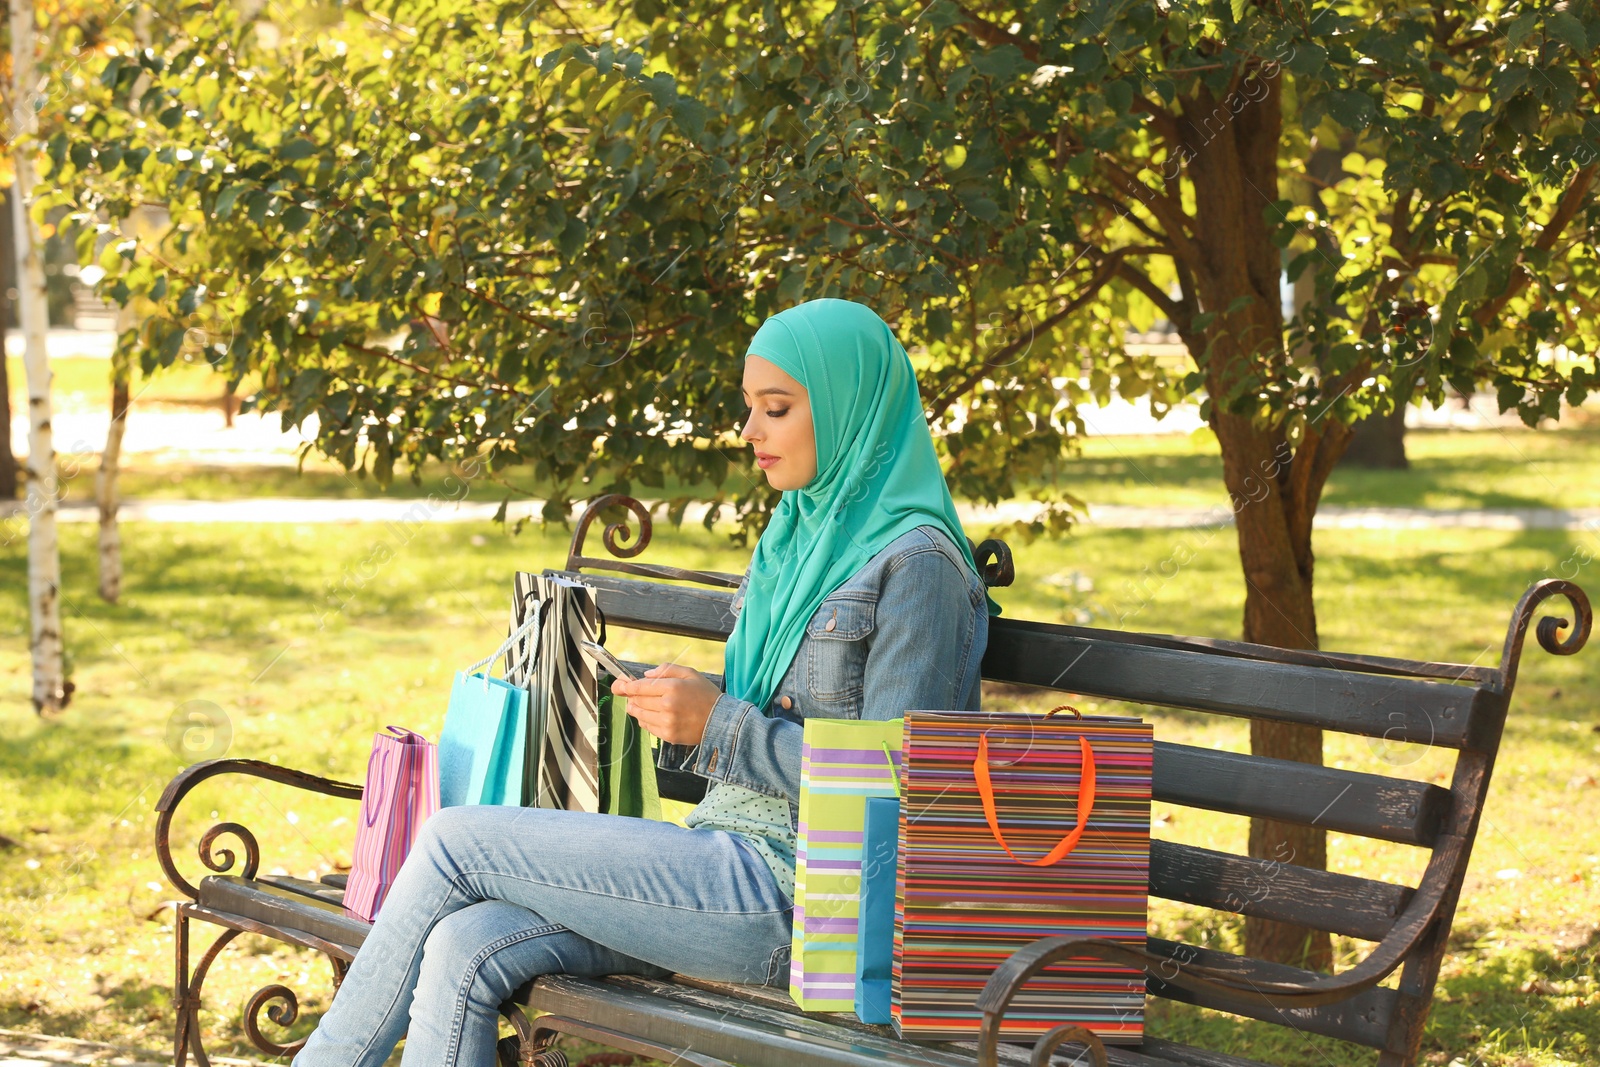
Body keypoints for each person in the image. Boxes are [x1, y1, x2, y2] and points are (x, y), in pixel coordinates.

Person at [291, 297, 1001, 1066]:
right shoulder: (799, 537)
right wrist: (684, 709)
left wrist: (720, 724)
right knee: (467, 941)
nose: (751, 431)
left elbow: (902, 784)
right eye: (748, 408)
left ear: (849, 406)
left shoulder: (919, 567)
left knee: (453, 841)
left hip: (808, 903)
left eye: (777, 408)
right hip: (719, 863)